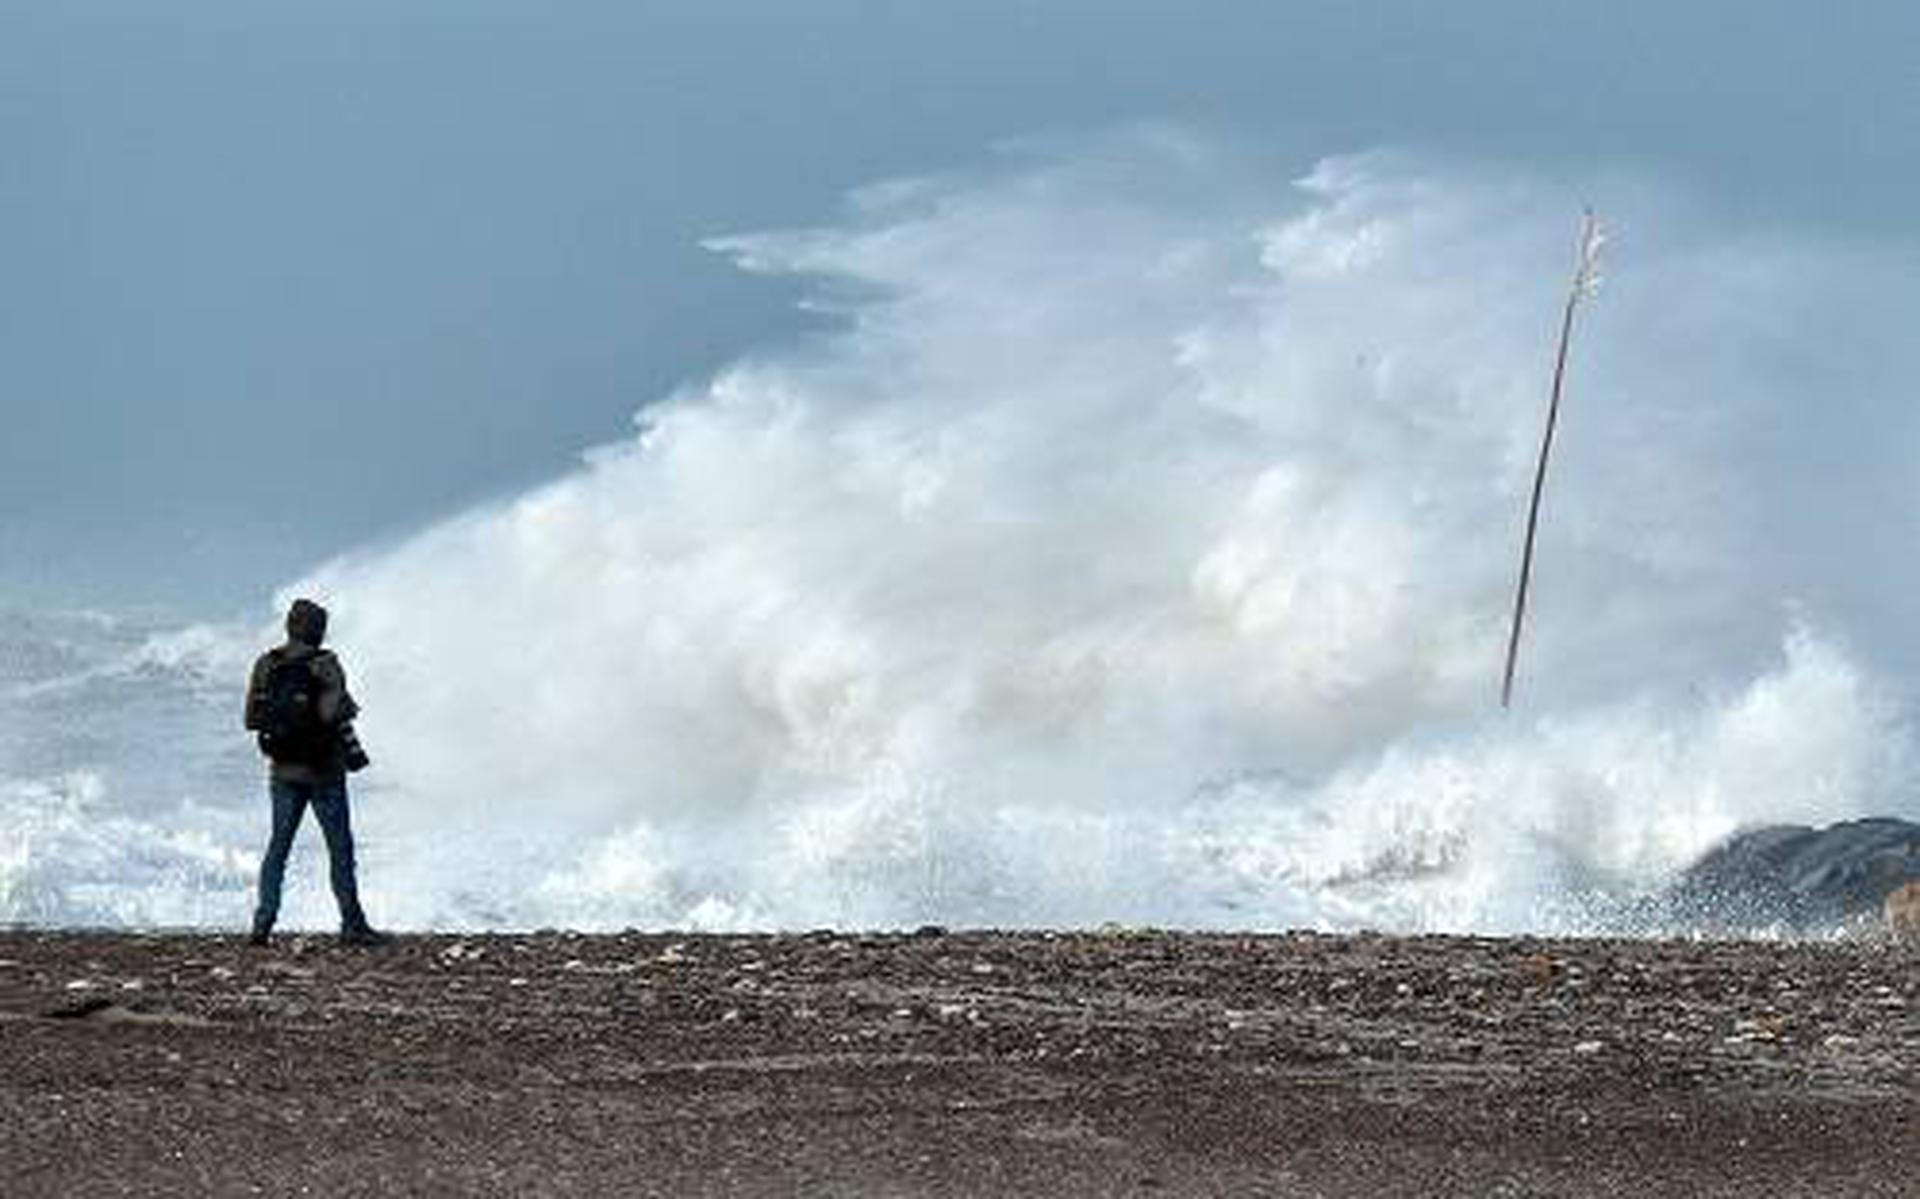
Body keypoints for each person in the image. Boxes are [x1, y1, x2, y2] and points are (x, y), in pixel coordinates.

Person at [242, 598, 387, 947]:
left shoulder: (266, 663)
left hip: (282, 772)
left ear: (290, 626)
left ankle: (262, 924)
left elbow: (251, 719)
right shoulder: (326, 664)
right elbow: (332, 715)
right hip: (324, 772)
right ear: (318, 630)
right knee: (339, 849)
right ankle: (352, 924)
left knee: (278, 848)